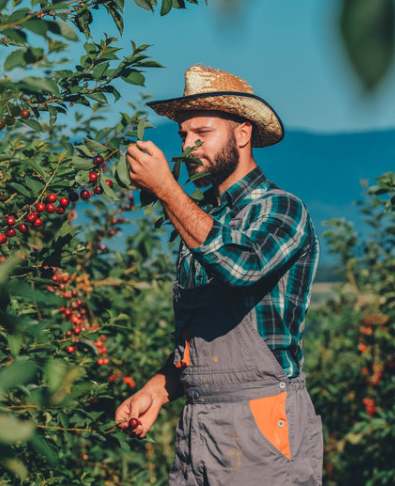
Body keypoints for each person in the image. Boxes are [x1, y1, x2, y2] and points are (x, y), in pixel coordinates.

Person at [116, 64, 323, 485]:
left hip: (260, 422)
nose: (189, 147)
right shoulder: (200, 221)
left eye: (202, 134)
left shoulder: (281, 209)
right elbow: (205, 339)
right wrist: (158, 389)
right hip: (199, 424)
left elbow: (242, 268)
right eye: (183, 136)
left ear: (242, 134)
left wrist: (167, 191)